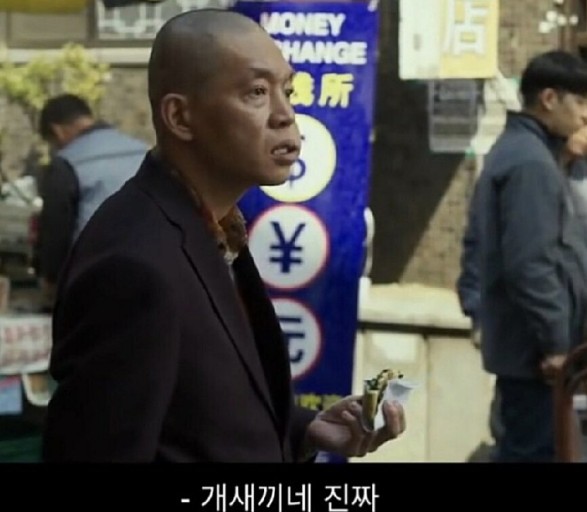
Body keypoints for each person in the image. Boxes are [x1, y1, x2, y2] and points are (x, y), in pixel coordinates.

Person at [41, 9, 406, 462]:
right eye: (256, 92)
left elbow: (202, 412)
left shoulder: (217, 229)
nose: (285, 115)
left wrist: (305, 429)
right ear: (180, 117)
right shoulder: (134, 264)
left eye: (287, 91)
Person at [474, 50, 587, 462]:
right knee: (532, 453)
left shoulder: (522, 152)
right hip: (536, 357)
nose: (584, 116)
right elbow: (531, 264)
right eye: (581, 102)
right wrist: (556, 344)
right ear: (549, 99)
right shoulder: (530, 163)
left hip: (527, 350)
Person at [36, 94, 149, 307]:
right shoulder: (144, 151)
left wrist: (50, 280)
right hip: (159, 270)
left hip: (99, 281)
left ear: (57, 131)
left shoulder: (68, 163)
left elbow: (56, 231)